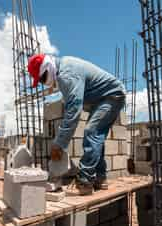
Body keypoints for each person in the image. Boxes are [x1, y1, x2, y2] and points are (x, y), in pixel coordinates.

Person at [28, 54, 126, 195]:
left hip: (112, 96)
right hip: (101, 99)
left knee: (91, 132)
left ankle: (84, 182)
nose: (44, 82)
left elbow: (73, 112)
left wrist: (59, 144)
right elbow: (71, 99)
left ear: (47, 67)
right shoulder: (64, 69)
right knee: (97, 136)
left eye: (43, 78)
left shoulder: (66, 75)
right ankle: (100, 177)